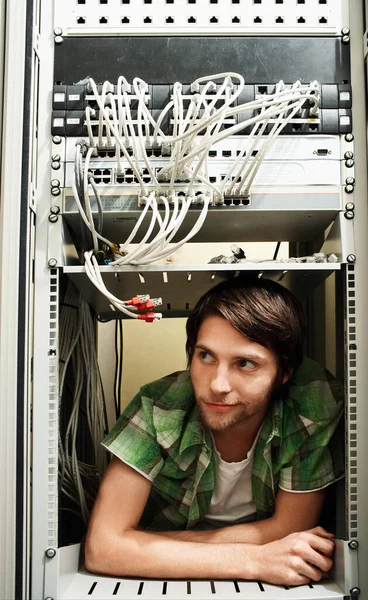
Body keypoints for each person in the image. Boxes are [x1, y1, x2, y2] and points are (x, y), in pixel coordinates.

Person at [85, 276, 344, 585]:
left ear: (285, 372)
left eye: (245, 363)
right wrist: (254, 560)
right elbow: (103, 548)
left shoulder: (311, 403)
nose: (217, 385)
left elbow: (290, 528)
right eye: (205, 356)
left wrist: (141, 543)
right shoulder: (159, 406)